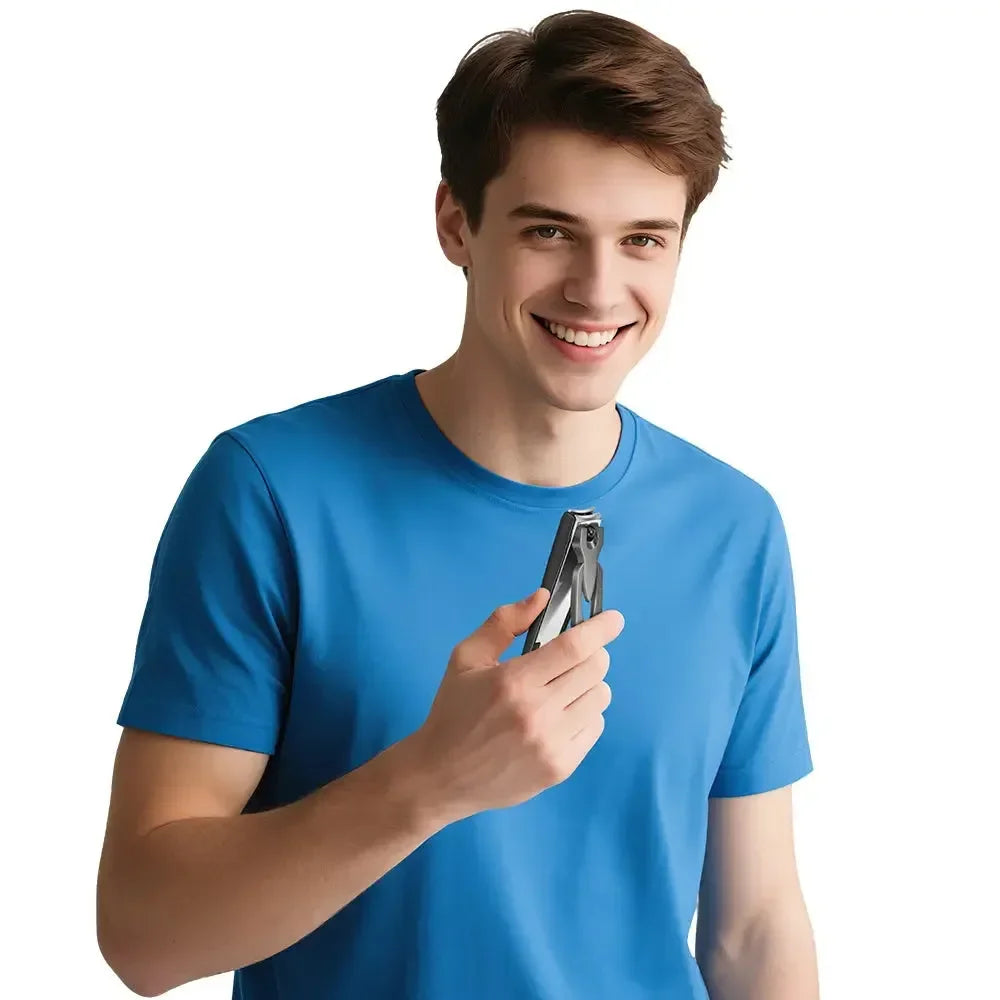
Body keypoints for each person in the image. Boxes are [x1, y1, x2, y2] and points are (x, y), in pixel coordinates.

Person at [96, 10, 818, 999]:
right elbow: (144, 935)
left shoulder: (733, 527)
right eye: (550, 230)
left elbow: (753, 930)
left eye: (643, 240)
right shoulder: (272, 494)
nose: (598, 288)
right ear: (456, 224)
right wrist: (429, 780)